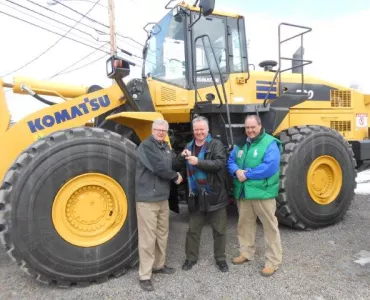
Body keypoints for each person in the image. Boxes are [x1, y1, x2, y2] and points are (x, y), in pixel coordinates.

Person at [227, 114, 283, 277]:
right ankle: (246, 253)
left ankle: (273, 261)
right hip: (244, 192)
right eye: (247, 128)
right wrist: (236, 171)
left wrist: (247, 174)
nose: (250, 130)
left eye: (253, 127)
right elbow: (231, 161)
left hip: (262, 193)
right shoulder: (240, 143)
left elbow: (270, 166)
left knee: (270, 227)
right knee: (244, 225)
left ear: (260, 126)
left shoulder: (270, 143)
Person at [135, 118, 183, 292]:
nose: (161, 132)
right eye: (158, 129)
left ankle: (159, 265)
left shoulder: (166, 147)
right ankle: (145, 275)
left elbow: (171, 163)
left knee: (162, 234)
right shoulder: (146, 146)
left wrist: (182, 158)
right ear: (152, 130)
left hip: (162, 198)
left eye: (164, 130)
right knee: (148, 239)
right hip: (147, 199)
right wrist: (175, 176)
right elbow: (158, 167)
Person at [177, 116, 229, 273]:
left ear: (207, 130)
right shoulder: (189, 145)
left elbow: (220, 164)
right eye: (196, 129)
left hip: (215, 194)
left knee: (219, 230)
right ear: (193, 131)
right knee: (193, 230)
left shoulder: (216, 144)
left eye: (202, 129)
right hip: (196, 195)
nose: (199, 132)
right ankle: (190, 258)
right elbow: (183, 166)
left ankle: (220, 259)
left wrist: (198, 162)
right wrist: (181, 158)